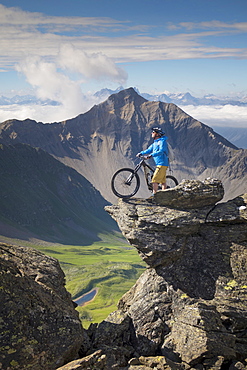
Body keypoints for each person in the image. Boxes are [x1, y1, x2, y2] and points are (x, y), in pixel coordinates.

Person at [137, 127, 169, 194]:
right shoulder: (155, 143)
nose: (152, 133)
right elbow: (148, 150)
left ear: (157, 134)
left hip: (162, 164)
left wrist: (151, 155)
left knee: (154, 180)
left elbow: (161, 151)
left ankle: (154, 195)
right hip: (160, 164)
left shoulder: (162, 142)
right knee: (163, 182)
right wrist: (141, 153)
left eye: (153, 132)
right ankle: (165, 195)